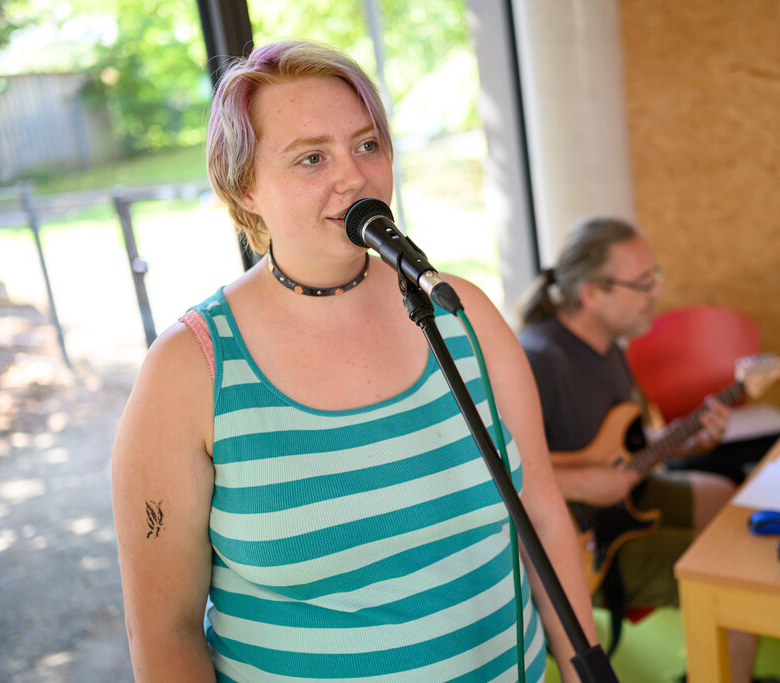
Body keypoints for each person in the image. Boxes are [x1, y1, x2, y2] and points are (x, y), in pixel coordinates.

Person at [111, 41, 597, 682]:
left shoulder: (460, 311)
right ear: (244, 186)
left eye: (367, 145)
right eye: (312, 157)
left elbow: (543, 516)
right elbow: (163, 632)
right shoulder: (188, 370)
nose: (355, 177)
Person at [516, 217, 774, 683]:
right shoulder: (537, 361)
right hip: (578, 543)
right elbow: (491, 466)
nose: (656, 291)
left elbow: (622, 447)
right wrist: (583, 484)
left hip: (625, 499)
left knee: (724, 496)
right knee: (725, 575)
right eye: (641, 283)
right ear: (592, 293)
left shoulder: (608, 347)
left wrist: (689, 439)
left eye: (654, 276)